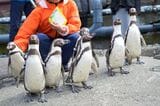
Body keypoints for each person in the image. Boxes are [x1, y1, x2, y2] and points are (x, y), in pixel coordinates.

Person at [13, 0, 81, 68]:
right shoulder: (40, 9)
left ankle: (63, 64)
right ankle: (46, 64)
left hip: (64, 41)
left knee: (75, 37)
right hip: (47, 42)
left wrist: (64, 29)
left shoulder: (70, 4)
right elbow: (26, 31)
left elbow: (76, 25)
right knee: (39, 38)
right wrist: (17, 48)